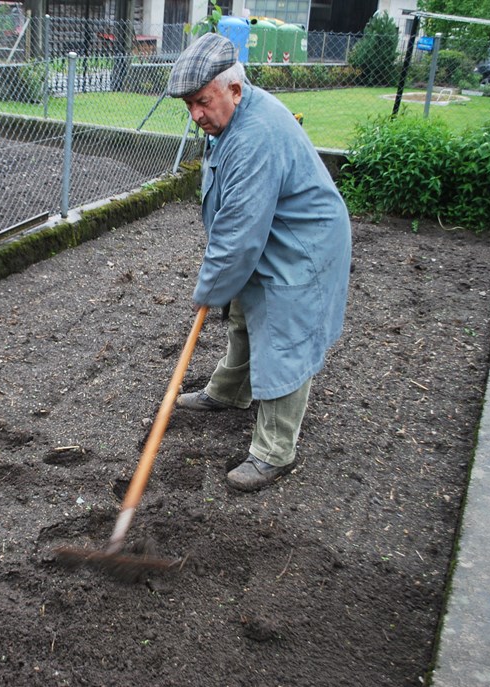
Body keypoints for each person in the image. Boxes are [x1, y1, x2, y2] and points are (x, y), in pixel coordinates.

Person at [166, 32, 352, 492]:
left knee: (285, 340)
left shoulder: (255, 137)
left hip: (302, 246)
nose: (196, 115)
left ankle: (274, 451)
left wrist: (208, 290)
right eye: (189, 104)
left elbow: (238, 236)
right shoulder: (231, 116)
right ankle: (230, 391)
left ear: (233, 89)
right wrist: (222, 287)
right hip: (271, 234)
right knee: (245, 315)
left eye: (202, 102)